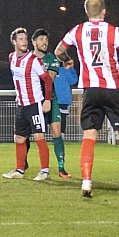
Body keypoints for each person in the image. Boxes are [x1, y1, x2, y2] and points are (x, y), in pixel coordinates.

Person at [54, 0, 119, 198]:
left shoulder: (78, 30)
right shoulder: (113, 31)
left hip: (91, 89)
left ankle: (86, 181)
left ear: (87, 13)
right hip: (113, 89)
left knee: (89, 134)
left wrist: (68, 60)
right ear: (104, 11)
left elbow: (59, 50)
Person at [2, 28, 54, 181]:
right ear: (14, 42)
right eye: (21, 39)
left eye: (25, 39)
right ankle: (19, 170)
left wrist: (47, 100)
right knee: (19, 138)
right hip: (21, 105)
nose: (24, 42)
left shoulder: (33, 60)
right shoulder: (11, 57)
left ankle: (44, 171)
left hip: (34, 104)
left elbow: (47, 80)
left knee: (39, 136)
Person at [26, 28, 71, 178]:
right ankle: (24, 163)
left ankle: (61, 167)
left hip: (50, 99)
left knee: (56, 132)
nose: (44, 42)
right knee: (25, 134)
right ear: (34, 43)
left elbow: (49, 79)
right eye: (41, 39)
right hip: (32, 100)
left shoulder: (52, 58)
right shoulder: (27, 59)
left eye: (46, 39)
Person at [54, 58, 78, 137]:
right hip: (54, 98)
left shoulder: (64, 70)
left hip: (61, 99)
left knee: (60, 118)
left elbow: (73, 81)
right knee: (55, 117)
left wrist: (70, 69)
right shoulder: (52, 70)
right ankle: (57, 136)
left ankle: (60, 136)